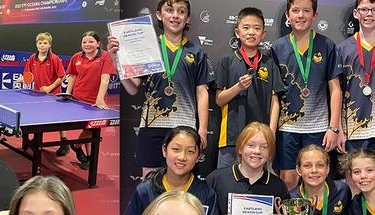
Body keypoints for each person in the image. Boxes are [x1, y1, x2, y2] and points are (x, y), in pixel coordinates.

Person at [108, 0, 214, 177]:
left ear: (187, 18)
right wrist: (115, 60)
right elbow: (133, 88)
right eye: (169, 10)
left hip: (184, 127)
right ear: (159, 15)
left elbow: (202, 92)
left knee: (181, 185)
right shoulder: (147, 49)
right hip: (152, 126)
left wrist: (202, 129)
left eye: (181, 12)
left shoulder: (197, 52)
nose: (175, 15)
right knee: (150, 182)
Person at [271, 0, 343, 190]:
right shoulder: (277, 48)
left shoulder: (327, 45)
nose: (300, 15)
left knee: (317, 179)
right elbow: (274, 96)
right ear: (288, 16)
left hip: (318, 127)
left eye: (306, 10)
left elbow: (335, 89)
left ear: (315, 16)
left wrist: (334, 128)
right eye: (295, 10)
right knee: (288, 180)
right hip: (287, 127)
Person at [206, 122, 289, 215]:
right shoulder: (216, 179)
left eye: (264, 147)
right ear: (240, 148)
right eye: (251, 145)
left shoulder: (278, 186)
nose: (257, 151)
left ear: (270, 153)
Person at [122, 126, 219, 215]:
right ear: (164, 150)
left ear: (198, 156)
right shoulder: (145, 189)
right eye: (176, 149)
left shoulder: (206, 193)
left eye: (190, 151)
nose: (182, 157)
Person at [215, 7, 285, 169]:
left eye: (256, 28)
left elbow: (275, 101)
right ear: (237, 32)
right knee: (227, 185)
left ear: (263, 34)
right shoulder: (226, 61)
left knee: (259, 187)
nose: (251, 32)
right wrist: (238, 87)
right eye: (246, 28)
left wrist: (271, 134)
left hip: (261, 142)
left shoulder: (270, 64)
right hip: (231, 139)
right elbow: (219, 100)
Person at [59, 31, 116, 170]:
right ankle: (89, 157)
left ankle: (76, 145)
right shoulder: (76, 57)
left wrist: (99, 99)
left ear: (97, 43)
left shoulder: (105, 56)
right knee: (86, 128)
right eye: (84, 42)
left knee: (91, 130)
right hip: (78, 99)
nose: (87, 44)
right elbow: (72, 76)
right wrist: (67, 93)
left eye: (91, 41)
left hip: (96, 101)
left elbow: (105, 79)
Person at [337, 0, 375, 151]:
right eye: (364, 9)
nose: (369, 14)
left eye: (373, 10)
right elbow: (336, 92)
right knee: (355, 174)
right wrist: (337, 129)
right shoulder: (342, 49)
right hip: (353, 131)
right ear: (356, 13)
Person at [343, 149, 375, 215]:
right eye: (357, 172)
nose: (363, 176)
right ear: (350, 174)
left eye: (369, 170)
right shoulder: (354, 207)